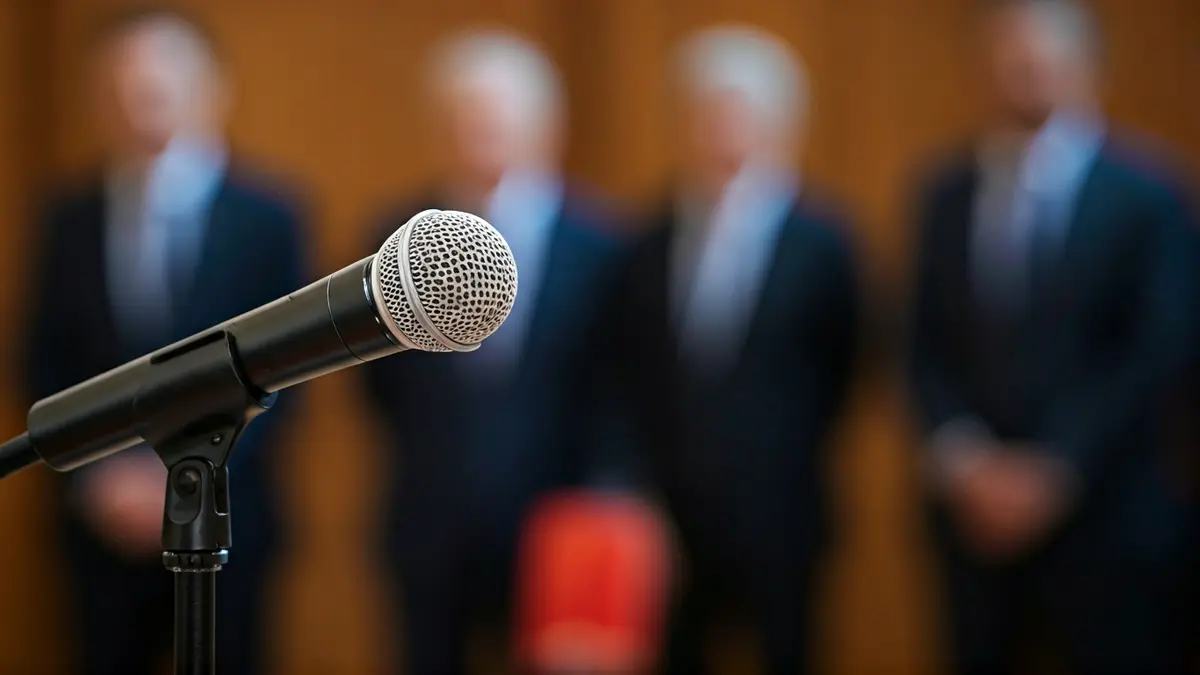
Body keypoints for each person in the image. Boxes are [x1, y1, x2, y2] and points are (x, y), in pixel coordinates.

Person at [907, 1, 1198, 673]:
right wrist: (967, 461)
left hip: (1110, 518)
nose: (1024, 71)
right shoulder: (942, 194)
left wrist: (1057, 467)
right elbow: (920, 342)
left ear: (1088, 67)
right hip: (973, 528)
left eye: (1041, 57)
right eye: (1009, 56)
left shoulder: (1149, 195)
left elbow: (1159, 347)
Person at [21, 8, 309, 675]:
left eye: (161, 82)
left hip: (230, 524)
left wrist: (186, 477)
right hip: (101, 528)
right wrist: (96, 477)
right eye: (125, 84)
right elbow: (45, 359)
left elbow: (290, 375)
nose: (142, 99)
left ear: (211, 89)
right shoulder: (67, 219)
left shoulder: (269, 217)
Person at [359, 29, 627, 675]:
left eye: (499, 119)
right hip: (428, 520)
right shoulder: (397, 238)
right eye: (467, 118)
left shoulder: (601, 244)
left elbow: (616, 387)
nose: (482, 135)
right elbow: (376, 382)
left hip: (557, 523)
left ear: (544, 126)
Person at [612, 25, 860, 675]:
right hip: (669, 515)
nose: (725, 129)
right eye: (709, 112)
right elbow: (628, 378)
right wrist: (639, 494)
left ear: (780, 123)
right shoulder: (646, 243)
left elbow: (845, 369)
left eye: (742, 112)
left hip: (783, 511)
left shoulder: (825, 245)